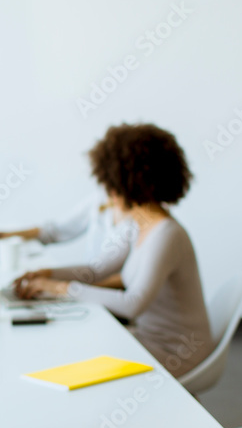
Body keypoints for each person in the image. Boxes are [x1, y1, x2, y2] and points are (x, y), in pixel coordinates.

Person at [15, 123, 211, 377]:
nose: (107, 195)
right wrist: (47, 273)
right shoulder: (135, 226)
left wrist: (59, 288)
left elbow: (132, 305)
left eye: (110, 187)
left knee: (75, 353)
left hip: (176, 354)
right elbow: (96, 270)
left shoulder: (167, 235)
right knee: (75, 345)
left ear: (128, 185)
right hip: (147, 339)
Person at [0, 191, 136, 283]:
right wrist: (5, 235)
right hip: (87, 285)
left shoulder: (142, 222)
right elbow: (56, 230)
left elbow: (128, 280)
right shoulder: (100, 199)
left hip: (108, 300)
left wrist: (63, 288)